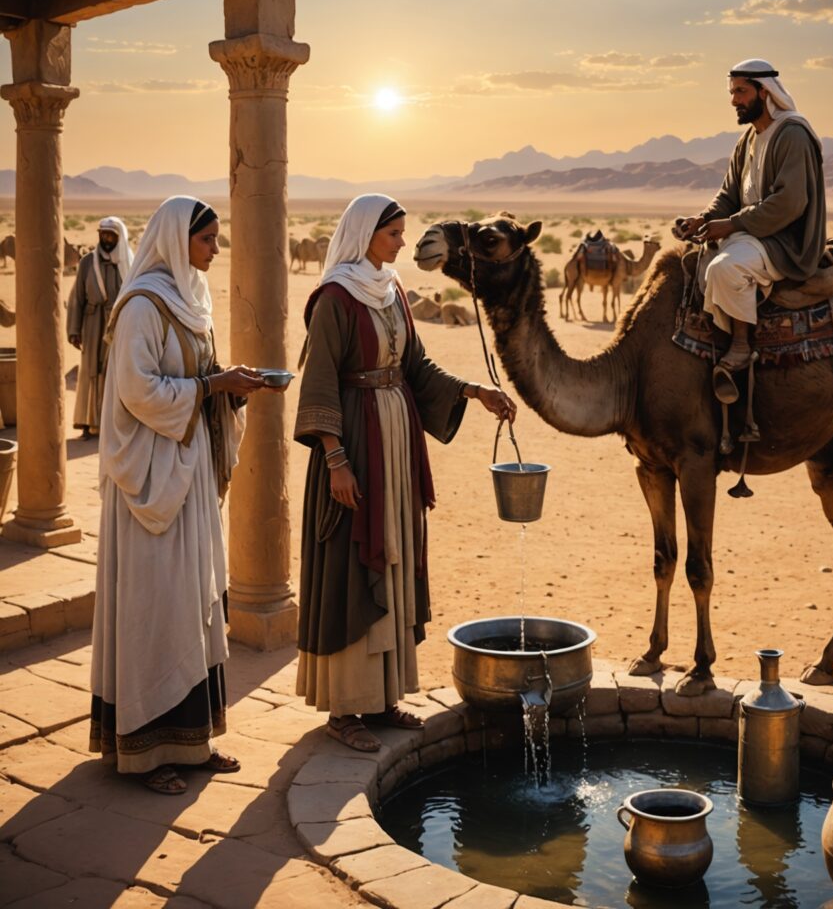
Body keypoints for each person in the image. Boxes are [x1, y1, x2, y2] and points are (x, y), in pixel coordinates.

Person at [294, 193, 516, 752]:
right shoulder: (336, 299)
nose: (400, 243)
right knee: (353, 560)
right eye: (393, 233)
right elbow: (319, 383)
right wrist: (337, 461)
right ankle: (346, 709)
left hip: (396, 441)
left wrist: (474, 390)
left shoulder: (391, 290)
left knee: (393, 553)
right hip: (355, 446)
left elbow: (414, 366)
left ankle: (383, 696)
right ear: (365, 234)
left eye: (401, 233)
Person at [89, 195, 276, 795]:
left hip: (189, 476)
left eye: (217, 240)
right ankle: (147, 752)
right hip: (150, 484)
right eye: (206, 241)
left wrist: (231, 389)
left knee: (194, 602)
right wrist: (211, 384)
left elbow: (201, 378)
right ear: (176, 241)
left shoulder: (194, 303)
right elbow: (137, 391)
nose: (215, 251)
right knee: (155, 610)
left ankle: (194, 743)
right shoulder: (142, 306)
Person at [676, 58, 826, 401]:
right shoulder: (748, 139)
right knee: (691, 263)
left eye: (741, 92)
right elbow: (729, 195)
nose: (734, 101)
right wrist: (702, 219)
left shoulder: (792, 134)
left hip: (785, 241)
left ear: (764, 91)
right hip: (752, 234)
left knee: (726, 269)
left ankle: (741, 346)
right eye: (732, 92)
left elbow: (790, 203)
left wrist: (730, 225)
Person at [67, 216, 133, 438]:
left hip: (119, 324)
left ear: (119, 237)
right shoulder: (88, 262)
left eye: (110, 235)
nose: (105, 239)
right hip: (92, 322)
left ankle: (112, 422)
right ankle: (87, 422)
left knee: (114, 370)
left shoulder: (128, 263)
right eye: (102, 234)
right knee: (90, 370)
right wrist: (74, 330)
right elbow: (77, 297)